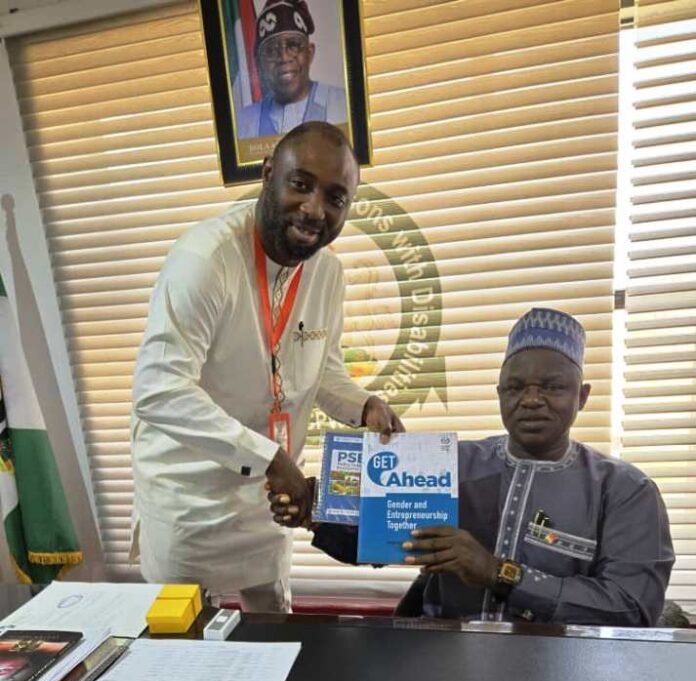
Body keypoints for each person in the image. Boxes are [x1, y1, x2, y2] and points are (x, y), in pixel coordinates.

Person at [131, 121, 403, 612]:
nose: (315, 209)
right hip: (191, 502)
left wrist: (364, 406)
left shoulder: (329, 273)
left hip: (270, 504)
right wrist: (272, 460)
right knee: (180, 648)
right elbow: (158, 390)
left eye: (336, 197)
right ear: (268, 173)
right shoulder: (205, 259)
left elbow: (320, 370)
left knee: (275, 625)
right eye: (301, 185)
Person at [270, 308, 674, 626]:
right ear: (499, 393)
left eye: (552, 387)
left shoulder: (625, 491)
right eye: (515, 387)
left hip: (560, 671)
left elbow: (629, 608)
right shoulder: (451, 464)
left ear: (582, 396)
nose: (531, 400)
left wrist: (500, 573)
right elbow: (378, 538)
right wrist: (316, 512)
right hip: (442, 663)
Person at [236, 0, 348, 140]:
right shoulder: (243, 123)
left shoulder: (342, 105)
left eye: (293, 45)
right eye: (271, 51)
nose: (284, 57)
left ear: (309, 52)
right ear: (260, 63)